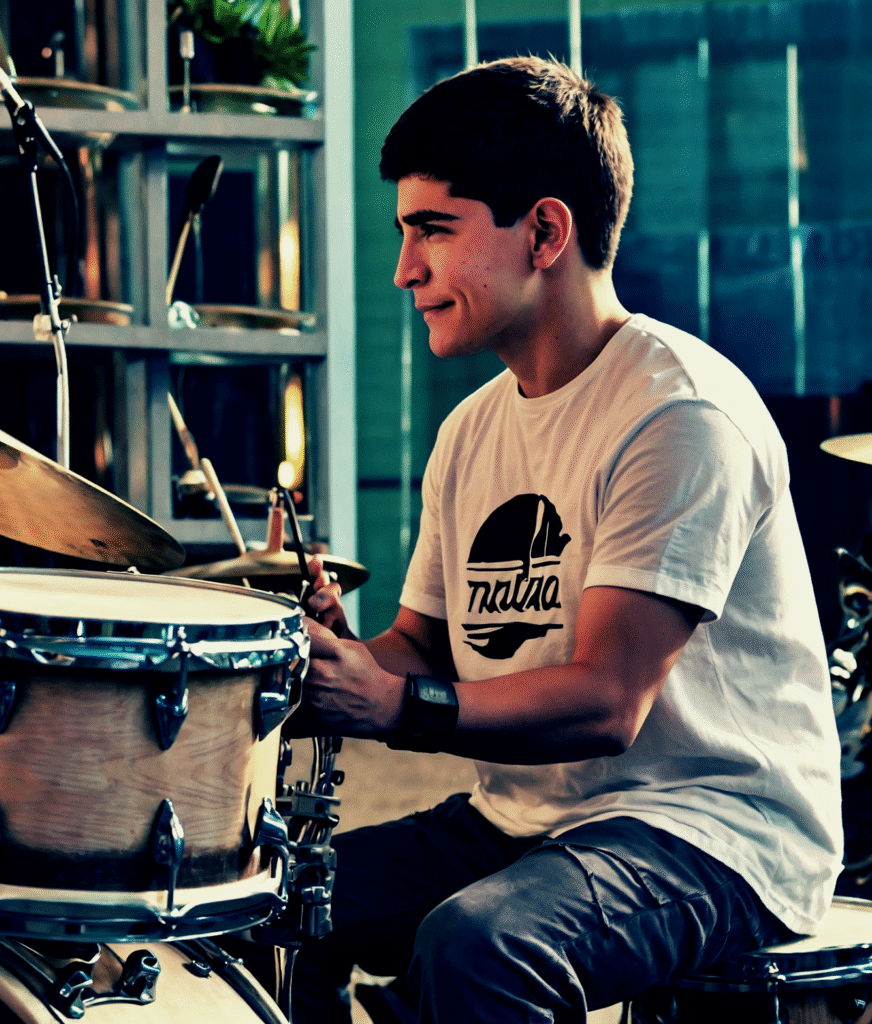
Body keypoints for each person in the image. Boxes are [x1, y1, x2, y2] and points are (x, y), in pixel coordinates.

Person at [287, 54, 844, 1024]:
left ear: (545, 232)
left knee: (480, 947)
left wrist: (392, 704)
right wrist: (338, 664)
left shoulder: (680, 413)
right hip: (527, 819)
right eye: (403, 232)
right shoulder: (470, 431)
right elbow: (422, 648)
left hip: (712, 828)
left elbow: (606, 701)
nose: (404, 269)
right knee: (277, 903)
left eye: (432, 230)